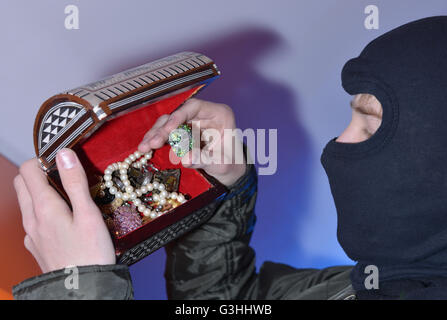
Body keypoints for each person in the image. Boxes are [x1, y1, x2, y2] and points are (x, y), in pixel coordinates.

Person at [12, 16, 447, 300]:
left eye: (370, 127)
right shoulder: (377, 279)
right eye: (349, 117)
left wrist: (77, 287)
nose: (336, 143)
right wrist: (221, 195)